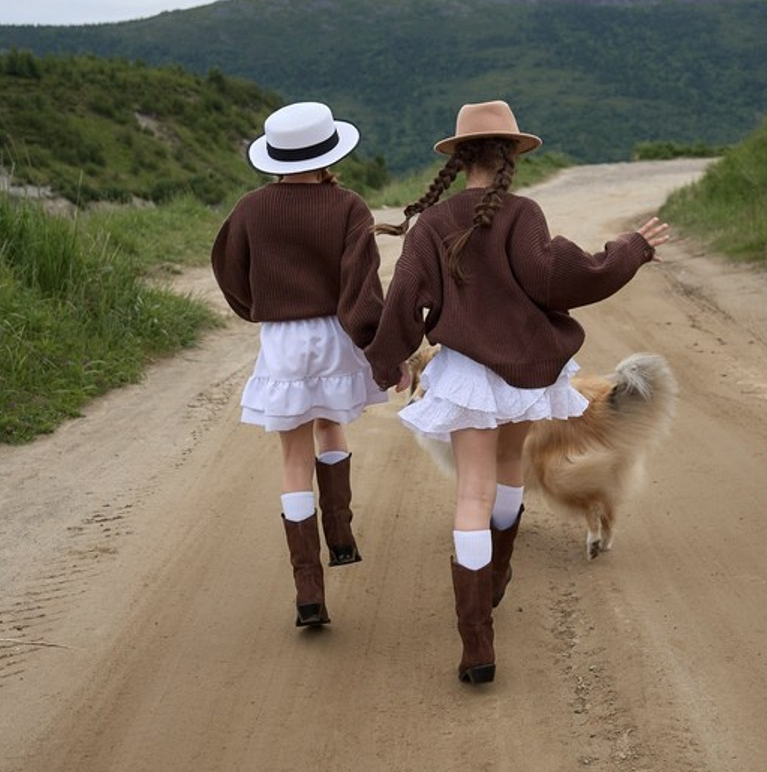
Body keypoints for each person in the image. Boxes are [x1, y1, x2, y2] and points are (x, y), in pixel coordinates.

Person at [366, 100, 671, 684]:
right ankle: (498, 574)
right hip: (522, 374)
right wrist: (633, 248)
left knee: (471, 496)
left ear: (459, 160)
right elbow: (562, 276)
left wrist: (389, 364)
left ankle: (477, 645)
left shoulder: (431, 225)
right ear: (511, 157)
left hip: (465, 374)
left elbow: (405, 298)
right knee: (509, 475)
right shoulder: (524, 214)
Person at [211, 101, 386, 628]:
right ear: (330, 150)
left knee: (293, 457)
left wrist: (257, 310)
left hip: (282, 339)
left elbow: (227, 270)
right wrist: (376, 342)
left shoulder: (249, 208)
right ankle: (341, 535)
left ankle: (309, 591)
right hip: (334, 332)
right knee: (331, 423)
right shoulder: (350, 206)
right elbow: (362, 285)